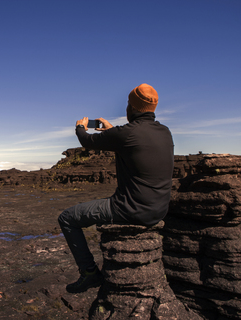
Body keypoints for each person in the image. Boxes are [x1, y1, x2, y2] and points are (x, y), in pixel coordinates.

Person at [58, 83, 174, 293]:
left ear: (132, 108)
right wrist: (112, 130)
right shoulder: (165, 132)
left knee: (67, 218)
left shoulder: (127, 133)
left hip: (130, 209)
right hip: (159, 209)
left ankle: (89, 273)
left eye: (129, 104)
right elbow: (132, 141)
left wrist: (80, 127)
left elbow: (87, 141)